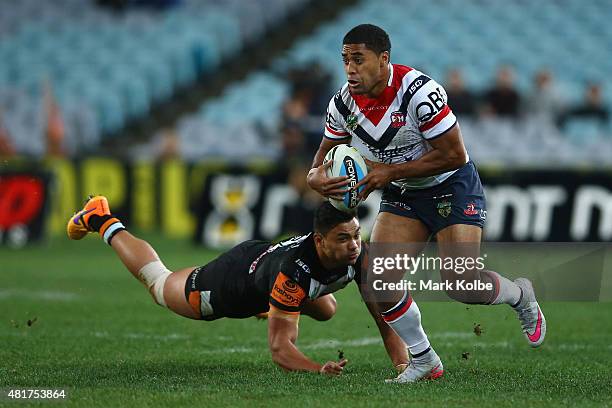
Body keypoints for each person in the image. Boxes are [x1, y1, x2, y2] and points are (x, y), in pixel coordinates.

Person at [307, 24, 546, 383]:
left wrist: (388, 172)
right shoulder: (342, 103)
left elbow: (454, 155)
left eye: (359, 59)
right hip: (404, 192)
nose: (350, 69)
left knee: (461, 283)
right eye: (345, 60)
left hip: (451, 185)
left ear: (384, 59)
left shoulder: (420, 91)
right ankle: (424, 361)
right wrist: (317, 179)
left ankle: (520, 294)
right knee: (379, 280)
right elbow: (317, 164)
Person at [66, 196, 411, 376]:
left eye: (356, 235)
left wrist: (403, 366)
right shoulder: (293, 274)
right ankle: (102, 219)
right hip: (229, 280)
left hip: (265, 260)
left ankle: (272, 303)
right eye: (343, 239)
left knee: (327, 309)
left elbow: (384, 318)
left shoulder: (361, 255)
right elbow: (280, 351)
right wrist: (317, 368)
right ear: (320, 242)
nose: (354, 245)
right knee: (158, 284)